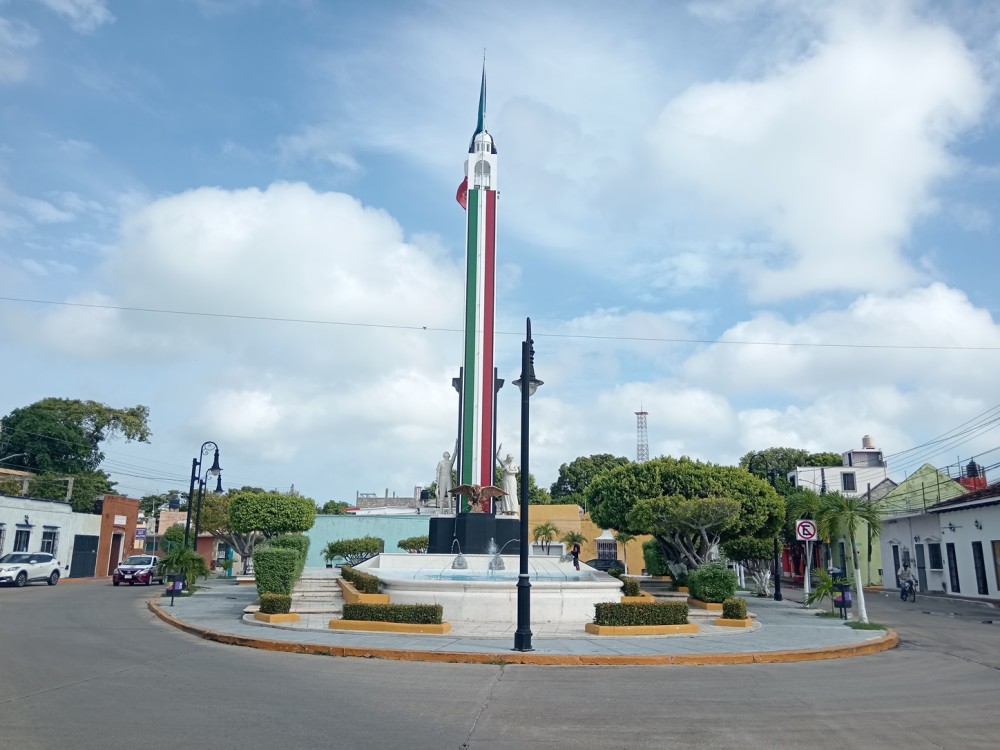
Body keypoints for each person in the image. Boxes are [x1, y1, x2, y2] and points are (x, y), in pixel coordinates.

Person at [496, 446, 519, 517]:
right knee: (505, 494)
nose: (511, 460)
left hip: (512, 480)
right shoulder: (504, 463)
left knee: (512, 494)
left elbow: (517, 471)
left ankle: (513, 510)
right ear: (507, 458)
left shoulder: (514, 464)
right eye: (510, 458)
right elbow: (497, 457)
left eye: (512, 458)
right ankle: (505, 510)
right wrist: (499, 449)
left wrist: (509, 471)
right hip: (506, 480)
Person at [435, 442, 458, 510]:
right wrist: (437, 484)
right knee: (441, 494)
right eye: (446, 453)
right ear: (443, 455)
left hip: (448, 477)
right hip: (442, 478)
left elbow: (455, 453)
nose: (447, 454)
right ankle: (441, 509)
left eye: (448, 453)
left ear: (449, 455)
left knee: (449, 494)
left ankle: (450, 509)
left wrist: (456, 444)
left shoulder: (450, 462)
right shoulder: (440, 462)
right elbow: (437, 472)